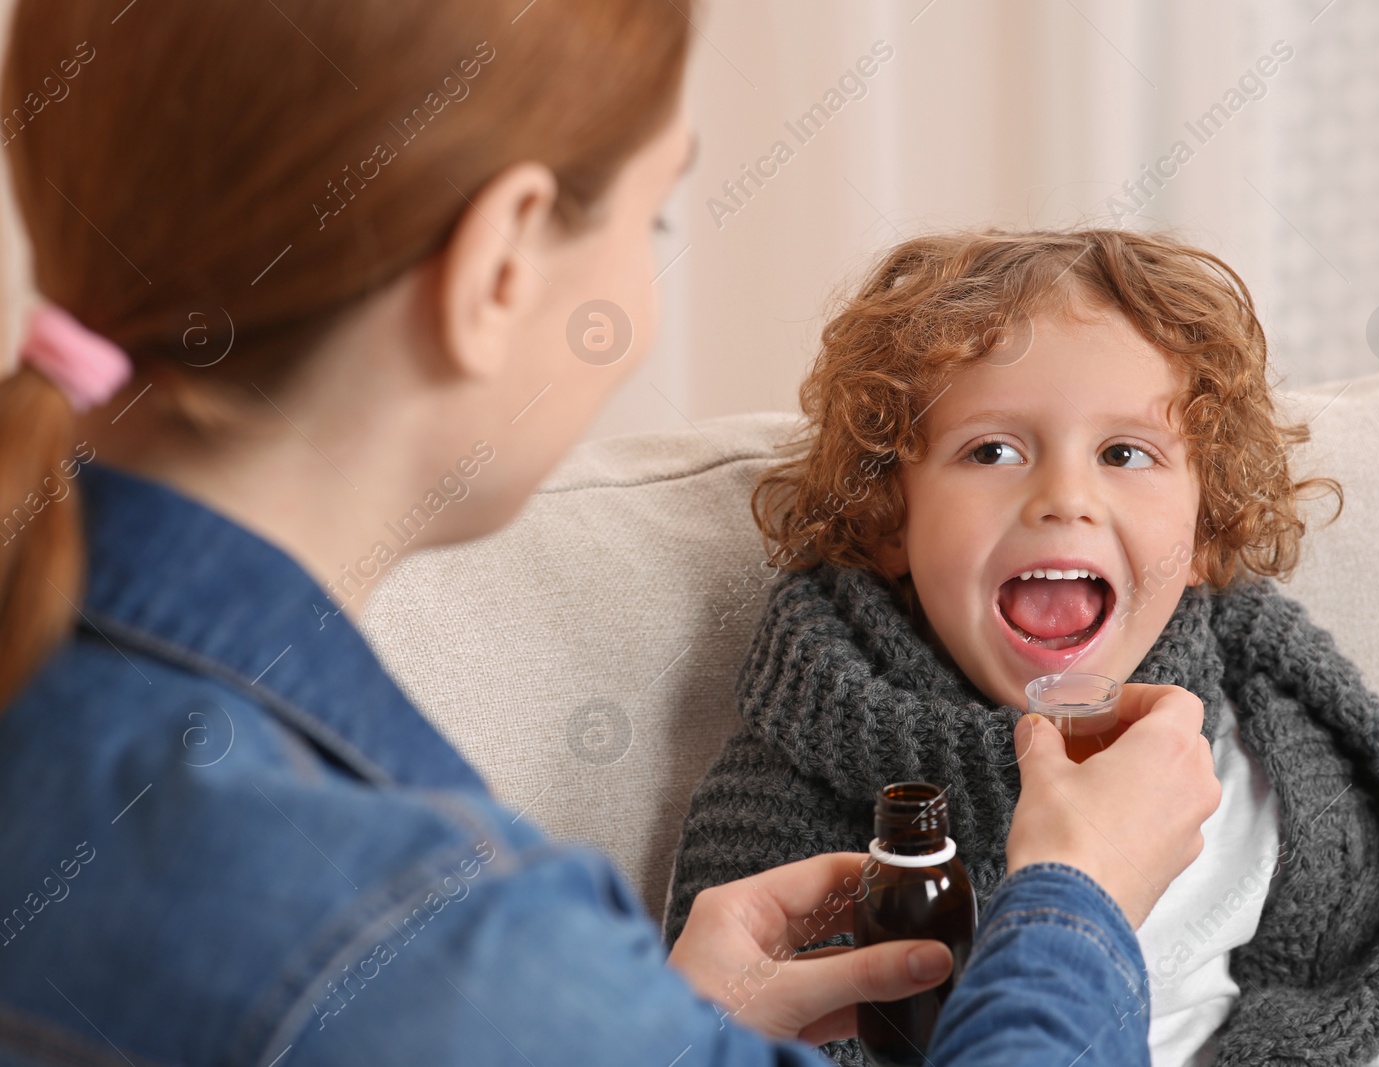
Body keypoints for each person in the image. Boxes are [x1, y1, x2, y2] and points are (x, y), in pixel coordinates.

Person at [0, 2, 1222, 1064]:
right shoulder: (403, 930)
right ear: (498, 265)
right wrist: (1081, 898)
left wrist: (650, 1028)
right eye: (651, 223)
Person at [662, 229, 1379, 1066]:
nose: (1065, 497)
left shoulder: (1265, 741)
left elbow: (1361, 1002)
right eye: (993, 450)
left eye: (1125, 452)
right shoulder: (796, 786)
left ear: (1203, 531)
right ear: (891, 518)